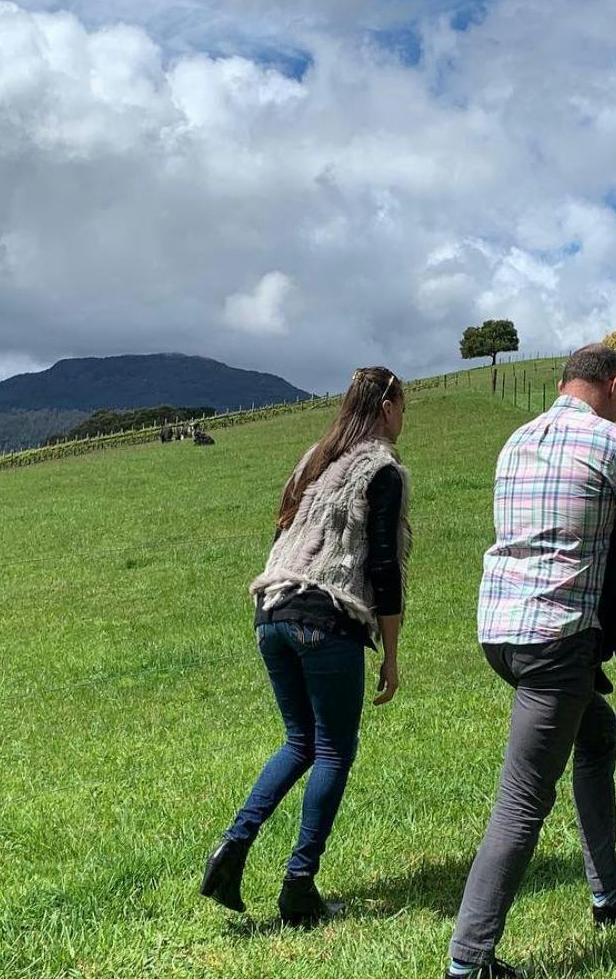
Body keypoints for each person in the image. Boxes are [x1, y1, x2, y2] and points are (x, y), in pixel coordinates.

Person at [447, 345, 616, 979]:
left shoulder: (516, 441)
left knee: (596, 736)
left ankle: (609, 890)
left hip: (500, 632)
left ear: (562, 383)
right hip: (558, 639)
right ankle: (468, 959)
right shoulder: (615, 444)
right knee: (523, 798)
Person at [200, 367, 410, 926]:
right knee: (334, 750)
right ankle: (298, 886)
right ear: (386, 407)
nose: (403, 420)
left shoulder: (313, 459)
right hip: (325, 614)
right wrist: (390, 653)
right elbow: (384, 566)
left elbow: (281, 535)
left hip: (271, 609)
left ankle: (232, 849)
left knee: (300, 742)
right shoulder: (381, 470)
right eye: (402, 408)